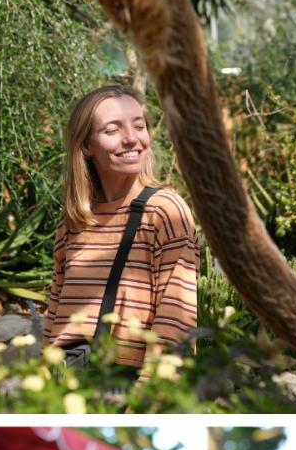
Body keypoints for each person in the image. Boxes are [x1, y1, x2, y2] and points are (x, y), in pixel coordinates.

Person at [43, 85, 200, 375]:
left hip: (124, 384)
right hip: (65, 380)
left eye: (139, 126)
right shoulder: (73, 222)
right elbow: (56, 311)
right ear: (87, 146)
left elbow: (176, 316)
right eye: (112, 130)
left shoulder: (164, 211)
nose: (132, 139)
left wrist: (152, 394)